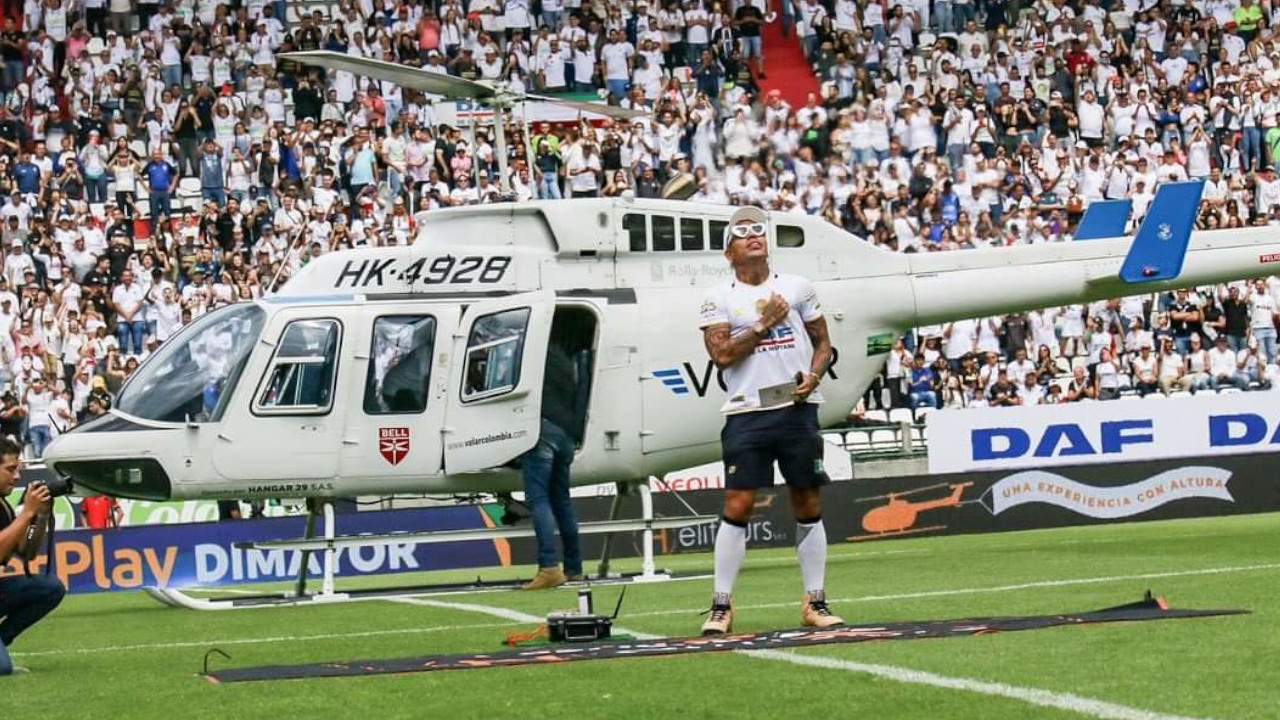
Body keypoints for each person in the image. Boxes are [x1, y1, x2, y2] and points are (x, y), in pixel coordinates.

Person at [697, 205, 842, 635]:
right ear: (729, 253)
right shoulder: (717, 297)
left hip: (797, 410)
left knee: (807, 501)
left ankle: (815, 601)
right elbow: (721, 355)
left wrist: (814, 375)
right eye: (742, 233)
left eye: (758, 229)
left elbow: (823, 344)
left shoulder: (798, 287)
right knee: (738, 503)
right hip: (747, 412)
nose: (753, 235)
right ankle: (720, 605)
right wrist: (765, 322)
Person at [518, 334, 583, 590]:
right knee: (561, 501)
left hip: (541, 431)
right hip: (566, 433)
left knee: (538, 499)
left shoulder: (530, 358)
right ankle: (574, 568)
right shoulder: (564, 360)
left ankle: (549, 567)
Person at [0, 438, 66, 675]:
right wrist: (27, 511)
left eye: (17, 469)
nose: (17, 476)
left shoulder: (3, 505)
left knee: (50, 587)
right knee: (3, 669)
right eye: (10, 469)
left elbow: (25, 553)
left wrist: (39, 517)